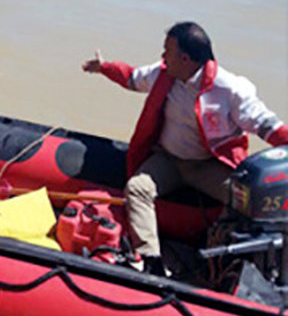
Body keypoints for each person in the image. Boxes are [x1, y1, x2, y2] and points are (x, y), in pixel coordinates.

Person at [82, 22, 288, 275]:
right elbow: (132, 78)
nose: (162, 57)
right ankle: (150, 260)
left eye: (166, 51)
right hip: (168, 160)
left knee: (245, 201)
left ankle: (230, 258)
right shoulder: (163, 74)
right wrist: (103, 68)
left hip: (208, 165)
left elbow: (266, 124)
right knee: (137, 189)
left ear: (185, 59)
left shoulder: (230, 90)